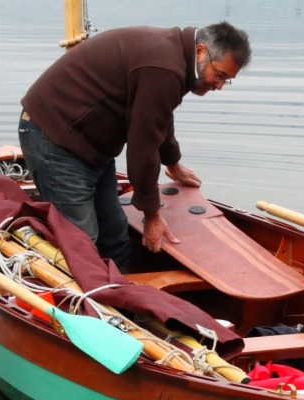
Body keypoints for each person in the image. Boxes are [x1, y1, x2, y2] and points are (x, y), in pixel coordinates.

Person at [18, 22, 252, 271]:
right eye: (219, 75)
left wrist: (172, 162)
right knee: (82, 243)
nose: (218, 86)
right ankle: (80, 304)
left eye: (226, 81)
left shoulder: (178, 59)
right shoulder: (164, 67)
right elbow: (142, 148)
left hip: (92, 144)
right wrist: (151, 214)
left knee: (115, 238)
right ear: (202, 51)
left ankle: (122, 305)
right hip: (54, 138)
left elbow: (159, 116)